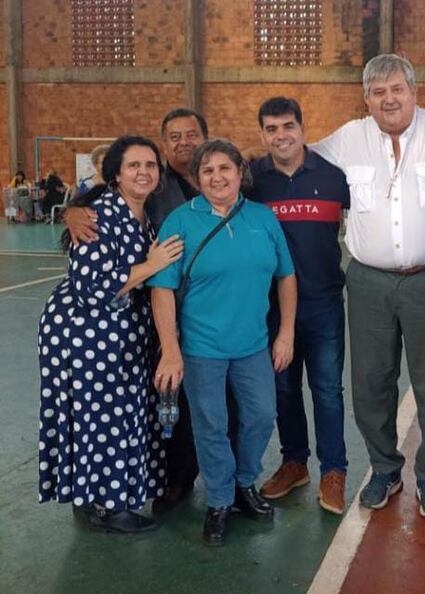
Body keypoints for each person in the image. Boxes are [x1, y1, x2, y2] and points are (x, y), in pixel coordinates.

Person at [312, 53, 425, 518]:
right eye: (378, 92)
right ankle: (385, 469)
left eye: (397, 90)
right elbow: (294, 159)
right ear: (366, 98)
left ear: (414, 91)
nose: (389, 99)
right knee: (371, 382)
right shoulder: (348, 138)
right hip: (368, 282)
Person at [148, 139, 297, 546]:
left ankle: (244, 483)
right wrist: (172, 349)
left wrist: (286, 333)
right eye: (208, 171)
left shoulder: (263, 219)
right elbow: (161, 288)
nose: (217, 177)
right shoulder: (180, 221)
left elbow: (286, 276)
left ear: (239, 173)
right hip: (201, 348)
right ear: (198, 179)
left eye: (224, 168)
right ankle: (219, 500)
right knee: (211, 425)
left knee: (262, 415)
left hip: (253, 345)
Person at [63, 108, 210, 514]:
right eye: (174, 137)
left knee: (139, 412)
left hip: (156, 324)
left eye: (191, 134)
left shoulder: (221, 175)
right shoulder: (118, 203)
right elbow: (92, 278)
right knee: (106, 416)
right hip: (100, 333)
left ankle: (125, 491)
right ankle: (109, 500)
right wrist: (71, 210)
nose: (184, 142)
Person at [37, 136, 184, 533]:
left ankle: (91, 499)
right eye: (133, 165)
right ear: (115, 174)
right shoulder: (99, 216)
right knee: (104, 416)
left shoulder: (142, 215)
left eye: (150, 165)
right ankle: (112, 507)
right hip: (85, 332)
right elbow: (92, 288)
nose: (143, 172)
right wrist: (151, 265)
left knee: (101, 415)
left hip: (117, 331)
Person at [245, 97, 350, 515]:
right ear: (263, 134)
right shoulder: (252, 179)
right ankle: (294, 463)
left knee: (327, 390)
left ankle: (334, 470)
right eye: (271, 129)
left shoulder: (333, 176)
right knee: (284, 388)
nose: (280, 135)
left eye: (287, 126)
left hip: (323, 303)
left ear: (302, 128)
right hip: (269, 307)